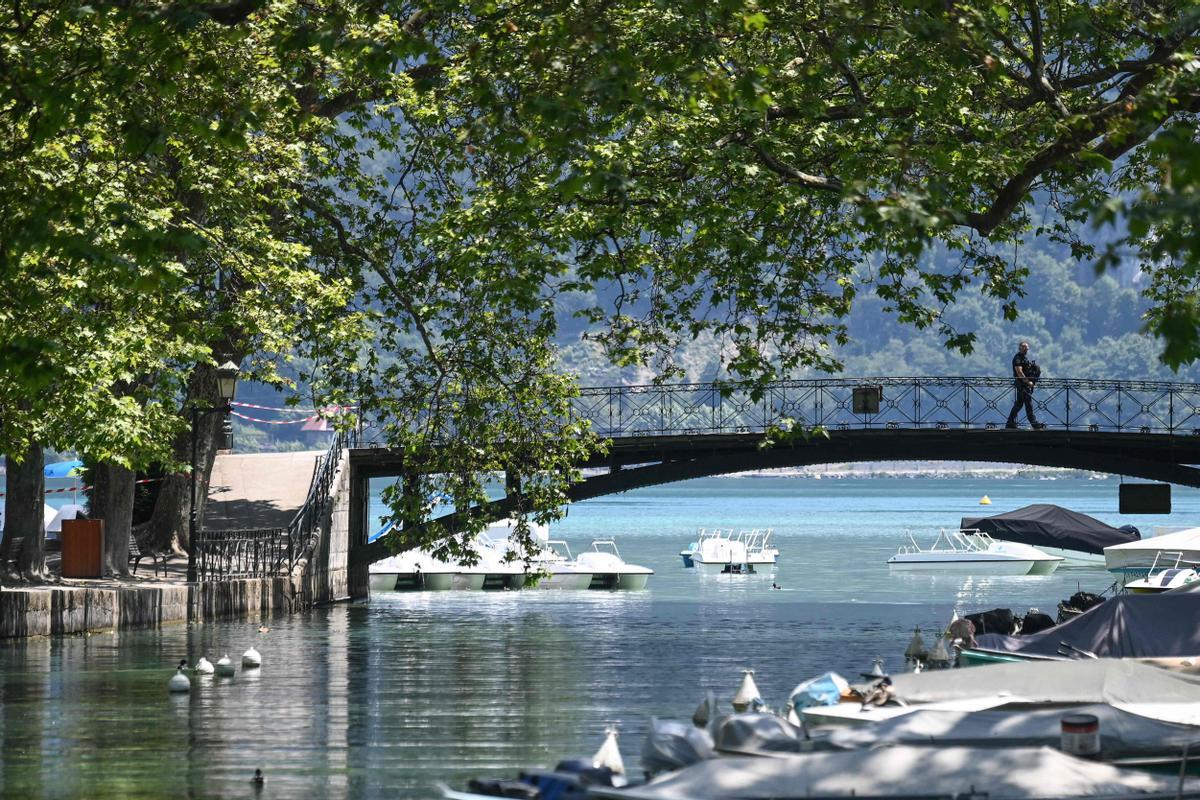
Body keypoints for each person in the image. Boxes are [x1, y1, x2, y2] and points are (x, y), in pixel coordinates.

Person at [1005, 341, 1045, 429]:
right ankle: (1034, 424)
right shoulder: (1018, 358)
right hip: (1022, 384)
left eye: (1026, 347)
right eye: (1023, 347)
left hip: (1023, 384)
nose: (1026, 348)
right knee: (1028, 403)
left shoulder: (1024, 358)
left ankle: (1010, 423)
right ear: (1019, 348)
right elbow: (1019, 372)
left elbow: (1026, 369)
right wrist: (1028, 382)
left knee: (1019, 404)